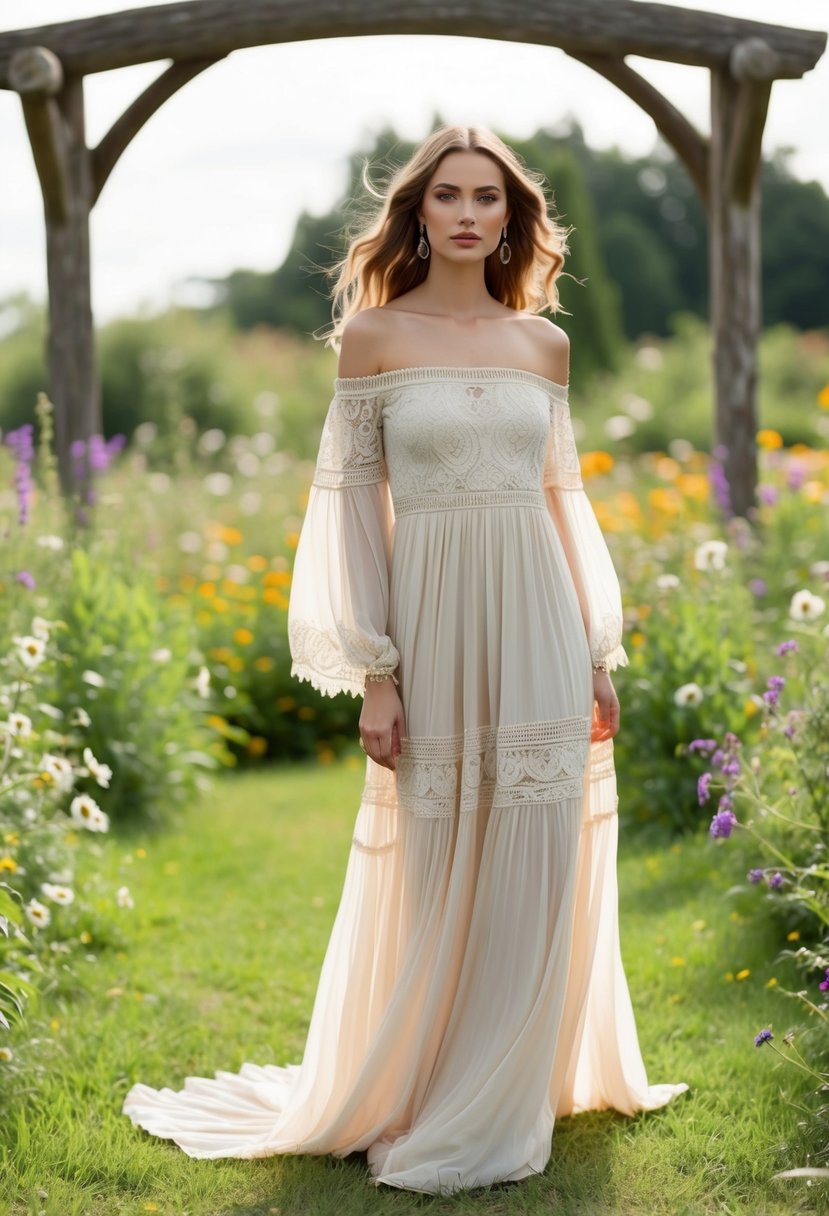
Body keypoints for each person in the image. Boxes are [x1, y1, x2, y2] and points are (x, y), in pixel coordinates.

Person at [122, 124, 689, 1194]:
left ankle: (508, 1090)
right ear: (417, 214)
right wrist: (376, 668)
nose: (469, 213)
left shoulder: (544, 347)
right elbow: (350, 515)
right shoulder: (372, 339)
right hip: (430, 623)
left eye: (488, 197)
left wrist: (597, 651)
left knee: (535, 852)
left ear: (511, 218)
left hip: (538, 621)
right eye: (448, 197)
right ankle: (434, 1083)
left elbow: (565, 507)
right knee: (439, 862)